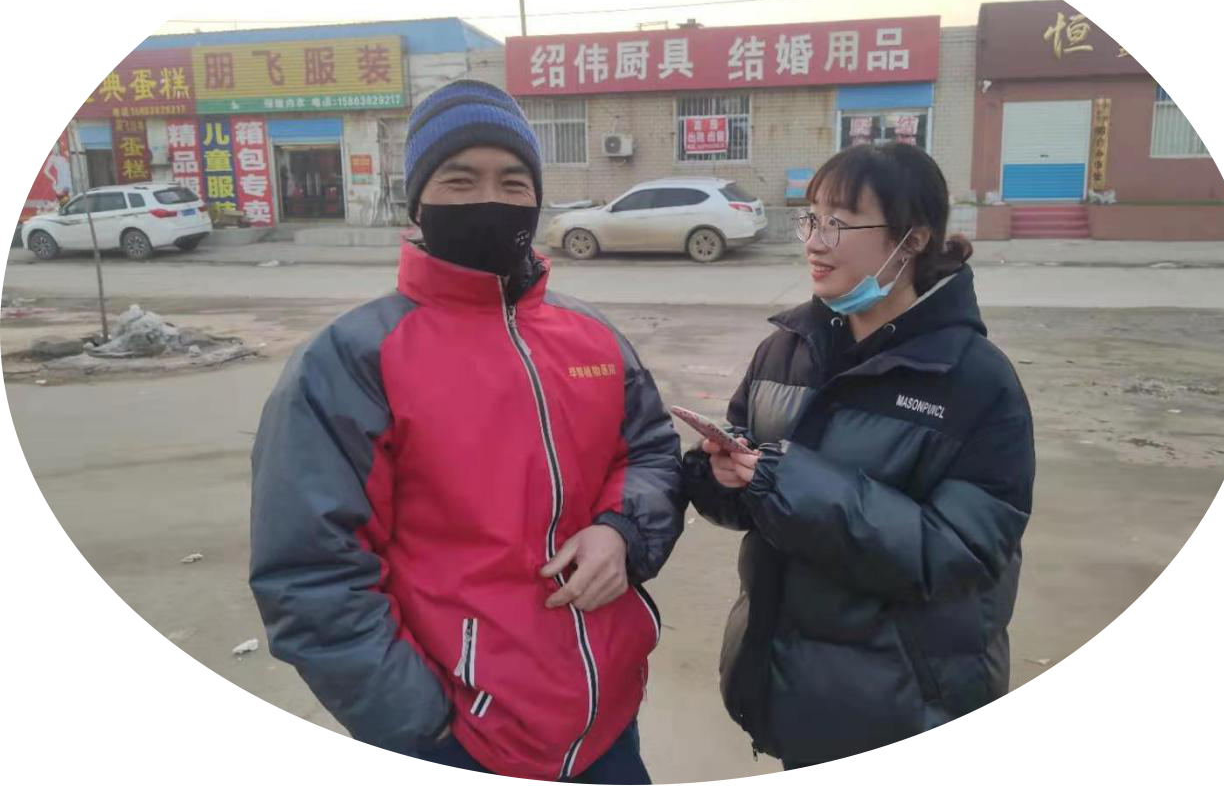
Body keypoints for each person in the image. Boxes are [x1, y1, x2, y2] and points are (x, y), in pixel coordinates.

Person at [251, 81, 685, 782]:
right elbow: (311, 573)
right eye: (461, 179)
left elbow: (652, 454)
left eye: (513, 182)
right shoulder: (351, 360)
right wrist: (424, 726)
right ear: (418, 201)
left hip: (606, 727)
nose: (491, 199)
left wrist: (622, 532)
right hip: (459, 739)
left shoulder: (592, 336)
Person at [684, 143, 1035, 767]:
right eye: (811, 219)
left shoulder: (975, 381)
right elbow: (755, 494)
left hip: (905, 701)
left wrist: (784, 482)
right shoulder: (786, 350)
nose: (815, 243)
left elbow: (961, 553)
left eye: (840, 224)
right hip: (790, 683)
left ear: (913, 240)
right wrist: (723, 474)